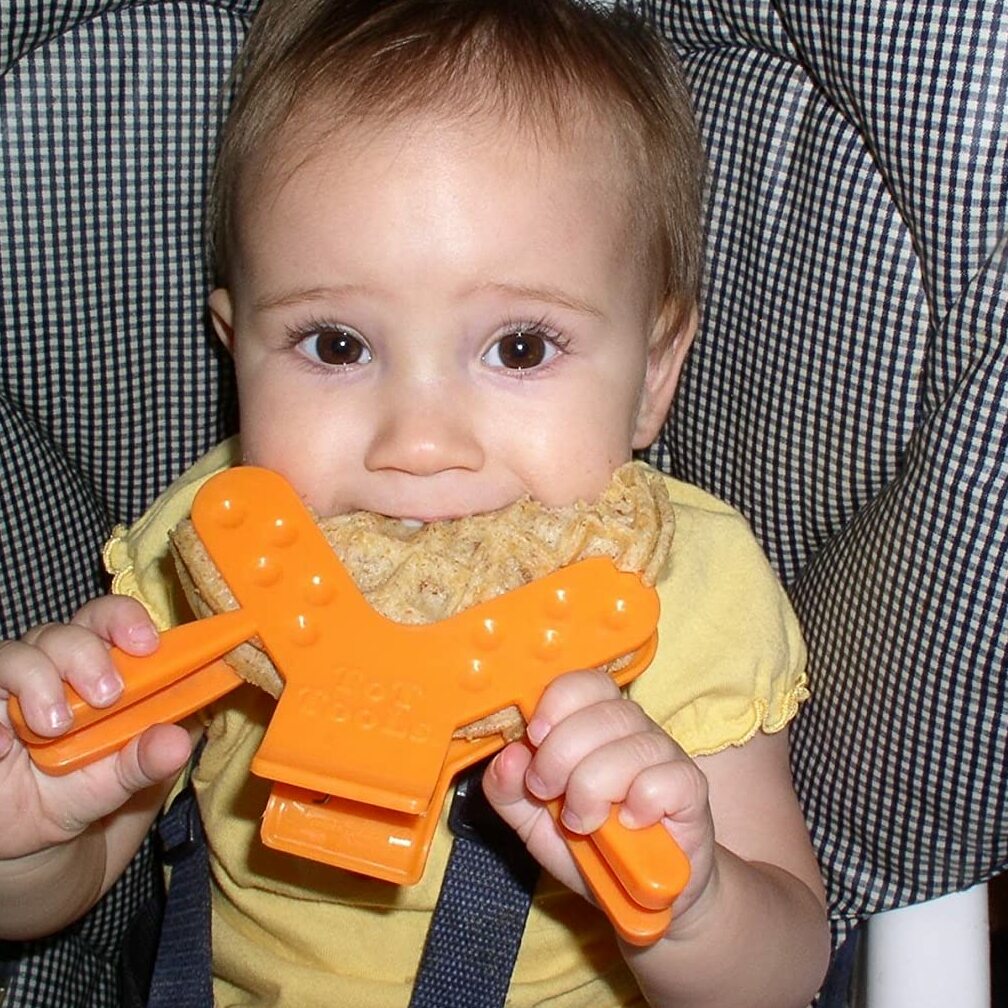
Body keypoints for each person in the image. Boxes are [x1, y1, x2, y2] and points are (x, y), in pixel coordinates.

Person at [0, 0, 830, 1004]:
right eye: (335, 345)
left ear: (653, 377)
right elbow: (69, 887)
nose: (419, 446)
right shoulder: (208, 557)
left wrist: (691, 908)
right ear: (236, 351)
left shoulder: (691, 589)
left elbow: (786, 972)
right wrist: (34, 833)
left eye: (519, 347)